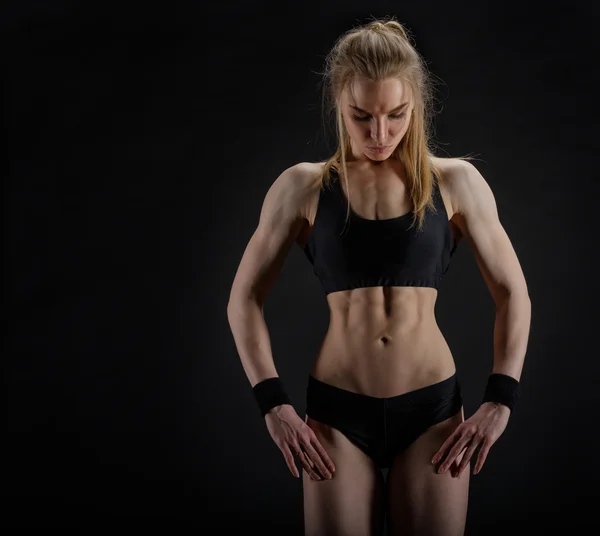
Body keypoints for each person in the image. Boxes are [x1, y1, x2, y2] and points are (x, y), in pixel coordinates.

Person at [227, 16, 531, 536]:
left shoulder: (455, 181)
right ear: (339, 105)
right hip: (337, 414)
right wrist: (272, 403)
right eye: (360, 116)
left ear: (416, 103)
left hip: (432, 411)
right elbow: (244, 299)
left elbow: (512, 291)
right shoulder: (302, 187)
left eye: (396, 114)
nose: (380, 133)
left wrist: (501, 398)